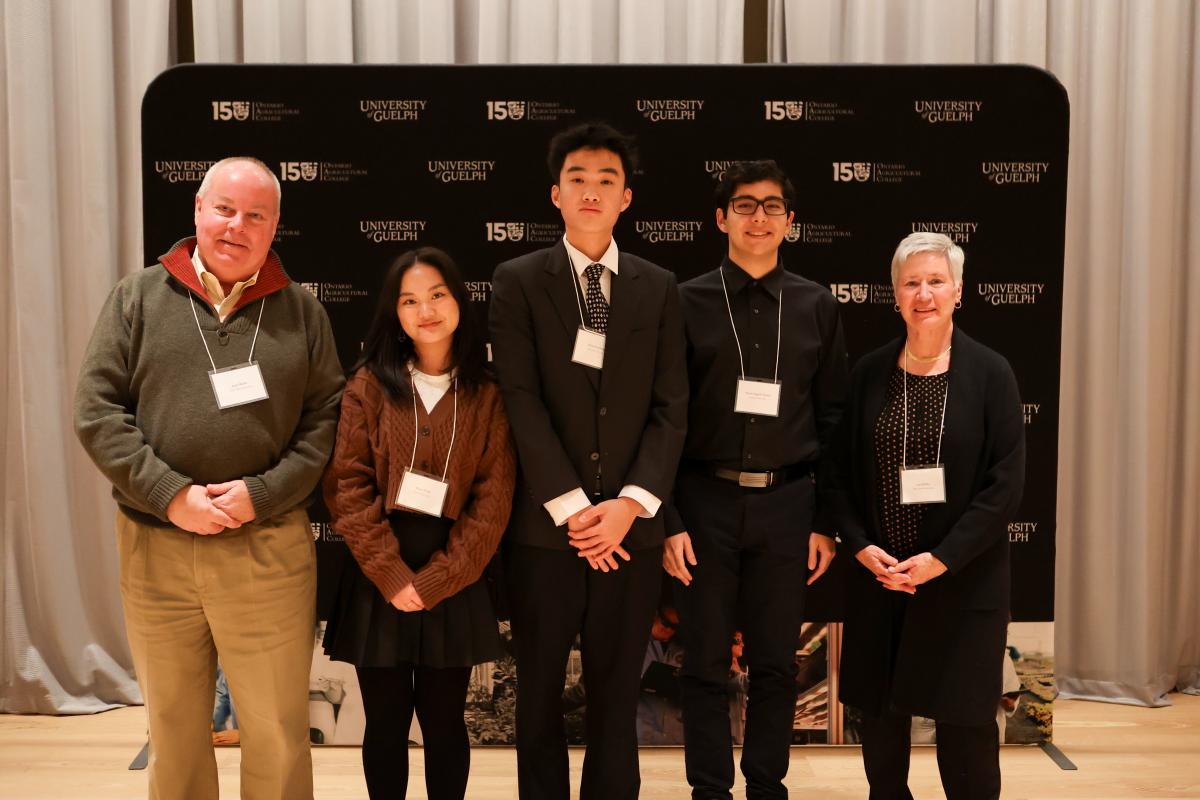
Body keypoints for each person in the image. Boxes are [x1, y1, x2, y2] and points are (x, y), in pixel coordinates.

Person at [74, 156, 344, 800]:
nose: (236, 226)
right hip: (156, 546)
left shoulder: (302, 313)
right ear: (198, 209)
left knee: (278, 731)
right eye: (224, 209)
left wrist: (262, 494)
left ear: (275, 225)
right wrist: (173, 496)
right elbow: (96, 410)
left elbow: (327, 424)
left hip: (268, 545)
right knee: (173, 730)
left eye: (256, 214)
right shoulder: (136, 297)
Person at [489, 121, 688, 799]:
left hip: (631, 535)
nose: (591, 192)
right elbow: (520, 401)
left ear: (626, 198)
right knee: (538, 693)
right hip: (546, 535)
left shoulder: (658, 285)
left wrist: (629, 506)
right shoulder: (517, 281)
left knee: (615, 694)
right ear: (555, 194)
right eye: (577, 179)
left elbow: (672, 407)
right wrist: (578, 512)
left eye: (607, 181)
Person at [662, 159, 847, 799]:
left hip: (788, 504)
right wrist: (669, 520)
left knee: (774, 663)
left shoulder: (815, 305)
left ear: (790, 222)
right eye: (744, 205)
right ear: (721, 218)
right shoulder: (684, 302)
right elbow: (663, 418)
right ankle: (709, 791)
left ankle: (767, 785)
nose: (758, 217)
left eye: (772, 207)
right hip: (703, 498)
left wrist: (825, 519)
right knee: (705, 663)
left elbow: (832, 418)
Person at [828, 231, 1025, 799]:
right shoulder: (869, 374)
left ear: (958, 291)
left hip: (962, 583)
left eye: (936, 281)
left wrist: (940, 559)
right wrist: (862, 547)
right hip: (882, 579)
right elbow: (837, 474)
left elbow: (1004, 487)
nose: (924, 294)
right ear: (894, 296)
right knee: (883, 733)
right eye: (911, 282)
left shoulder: (992, 374)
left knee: (965, 737)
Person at [321, 247, 516, 799]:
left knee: (445, 725)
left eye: (436, 295)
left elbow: (494, 498)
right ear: (394, 313)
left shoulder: (488, 391)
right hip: (377, 574)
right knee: (383, 725)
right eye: (409, 300)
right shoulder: (367, 385)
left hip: (452, 577)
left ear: (458, 301)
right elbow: (347, 486)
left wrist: (434, 581)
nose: (425, 310)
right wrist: (391, 575)